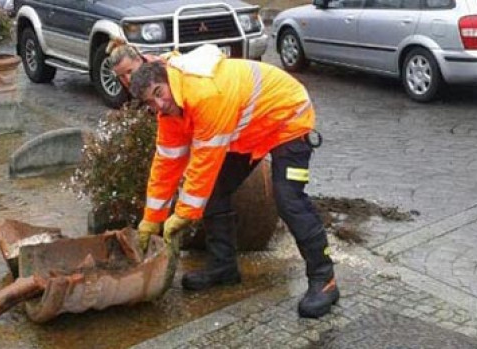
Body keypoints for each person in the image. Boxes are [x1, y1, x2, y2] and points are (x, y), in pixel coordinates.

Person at [129, 58, 339, 319]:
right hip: (251, 130)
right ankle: (223, 267)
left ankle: (324, 279)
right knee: (214, 192)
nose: (159, 104)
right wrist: (151, 220)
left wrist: (182, 215)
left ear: (168, 79)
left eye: (159, 93)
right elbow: (165, 166)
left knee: (289, 199)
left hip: (288, 118)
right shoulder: (169, 114)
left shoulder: (205, 95)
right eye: (150, 102)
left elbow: (203, 164)